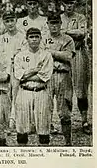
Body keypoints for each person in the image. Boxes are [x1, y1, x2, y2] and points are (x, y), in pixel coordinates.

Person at [14, 28, 54, 146]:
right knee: (22, 127)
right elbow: (18, 76)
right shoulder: (20, 56)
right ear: (26, 39)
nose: (34, 39)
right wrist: (35, 71)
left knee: (43, 127)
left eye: (37, 37)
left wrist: (26, 74)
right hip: (24, 91)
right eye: (31, 37)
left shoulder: (46, 55)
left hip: (41, 90)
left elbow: (45, 76)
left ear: (41, 38)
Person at [60, 0, 91, 135]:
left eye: (72, 3)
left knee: (81, 88)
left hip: (78, 52)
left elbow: (81, 34)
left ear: (75, 4)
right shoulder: (59, 18)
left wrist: (66, 32)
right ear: (63, 4)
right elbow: (56, 34)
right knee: (66, 89)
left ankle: (84, 120)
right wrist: (70, 34)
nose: (69, 5)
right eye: (67, 3)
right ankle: (68, 122)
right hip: (64, 55)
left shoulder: (80, 17)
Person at [43, 14, 75, 146]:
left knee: (65, 111)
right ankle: (44, 144)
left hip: (63, 76)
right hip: (47, 77)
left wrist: (51, 52)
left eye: (56, 23)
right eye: (51, 23)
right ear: (48, 24)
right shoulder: (43, 38)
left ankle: (68, 143)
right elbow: (39, 57)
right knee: (45, 109)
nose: (54, 26)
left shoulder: (67, 39)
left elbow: (68, 56)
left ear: (61, 24)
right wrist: (58, 54)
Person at [0, 11, 26, 130]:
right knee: (5, 94)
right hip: (5, 69)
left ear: (16, 20)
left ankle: (14, 120)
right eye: (7, 21)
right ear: (4, 22)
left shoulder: (22, 37)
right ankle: (5, 120)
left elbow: (24, 54)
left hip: (17, 68)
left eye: (11, 20)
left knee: (16, 94)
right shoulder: (1, 38)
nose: (10, 23)